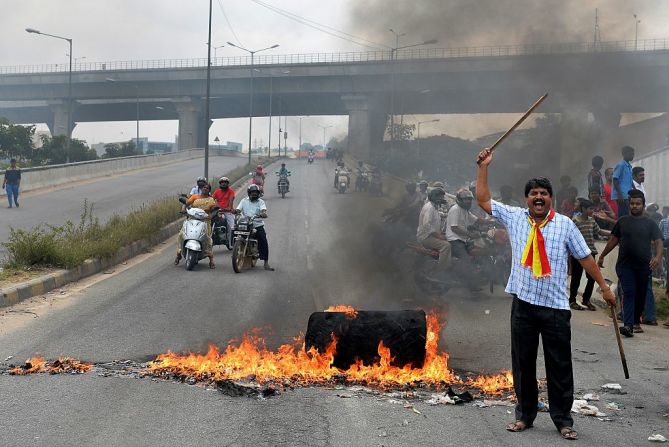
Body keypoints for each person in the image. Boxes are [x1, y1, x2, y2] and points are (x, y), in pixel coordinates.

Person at [476, 147, 615, 441]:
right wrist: (484, 167)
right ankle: (525, 415)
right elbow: (483, 199)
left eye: (543, 193)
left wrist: (603, 287)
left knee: (559, 365)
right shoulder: (514, 218)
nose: (538, 198)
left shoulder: (565, 224)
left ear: (550, 198)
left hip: (554, 308)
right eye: (533, 193)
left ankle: (563, 419)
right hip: (523, 305)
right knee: (523, 363)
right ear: (527, 199)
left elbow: (585, 257)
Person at [598, 189, 663, 337]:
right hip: (625, 266)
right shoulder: (622, 221)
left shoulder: (650, 223)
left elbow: (659, 241)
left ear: (643, 205)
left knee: (640, 295)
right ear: (629, 204)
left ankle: (635, 321)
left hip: (644, 266)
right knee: (628, 292)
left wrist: (658, 257)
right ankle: (628, 325)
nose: (634, 206)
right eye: (632, 203)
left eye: (637, 204)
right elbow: (613, 240)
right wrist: (602, 256)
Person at [569, 199, 610, 311]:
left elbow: (599, 231)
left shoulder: (592, 221)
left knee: (592, 278)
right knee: (576, 278)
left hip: (590, 252)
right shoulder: (575, 221)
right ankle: (572, 300)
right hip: (577, 253)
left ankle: (586, 299)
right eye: (590, 209)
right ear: (583, 209)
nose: (592, 211)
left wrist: (613, 233)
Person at [445, 188, 484, 291]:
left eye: (469, 199)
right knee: (466, 260)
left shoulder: (465, 210)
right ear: (460, 200)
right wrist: (470, 234)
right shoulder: (455, 209)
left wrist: (493, 222)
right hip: (454, 240)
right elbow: (454, 228)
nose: (468, 201)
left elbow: (477, 220)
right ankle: (470, 285)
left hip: (463, 239)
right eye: (466, 199)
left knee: (478, 252)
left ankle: (478, 277)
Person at [175, 183, 217, 269]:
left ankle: (211, 259)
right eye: (204, 187)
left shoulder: (211, 200)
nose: (205, 189)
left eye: (207, 188)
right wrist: (183, 209)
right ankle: (178, 253)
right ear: (201, 189)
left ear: (209, 190)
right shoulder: (194, 197)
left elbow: (214, 210)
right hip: (192, 219)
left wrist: (211, 215)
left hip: (205, 221)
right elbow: (186, 203)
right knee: (181, 235)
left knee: (208, 239)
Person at [236, 184, 274, 271]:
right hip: (245, 223)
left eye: (256, 192)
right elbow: (238, 209)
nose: (254, 194)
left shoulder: (261, 202)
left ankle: (266, 263)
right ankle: (235, 249)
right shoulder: (244, 201)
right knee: (235, 231)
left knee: (263, 240)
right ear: (249, 193)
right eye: (252, 192)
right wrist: (236, 211)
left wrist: (263, 213)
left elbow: (263, 210)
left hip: (257, 224)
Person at [417, 187, 451, 272]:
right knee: (446, 246)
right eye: (440, 197)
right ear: (434, 197)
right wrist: (439, 236)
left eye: (442, 197)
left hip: (430, 236)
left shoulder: (434, 207)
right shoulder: (430, 208)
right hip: (426, 237)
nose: (442, 199)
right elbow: (427, 225)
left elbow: (437, 219)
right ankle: (441, 271)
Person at [212, 176, 236, 245]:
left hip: (228, 212)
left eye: (225, 182)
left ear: (228, 184)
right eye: (222, 182)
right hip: (218, 211)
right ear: (220, 184)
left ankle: (232, 241)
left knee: (232, 226)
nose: (224, 184)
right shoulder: (217, 192)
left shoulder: (231, 191)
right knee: (209, 223)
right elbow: (211, 201)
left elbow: (230, 206)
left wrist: (228, 208)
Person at [612, 146, 635, 217]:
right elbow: (615, 179)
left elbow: (630, 180)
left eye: (633, 154)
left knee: (627, 214)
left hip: (627, 195)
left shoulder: (629, 166)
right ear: (624, 154)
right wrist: (619, 194)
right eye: (631, 154)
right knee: (623, 215)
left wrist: (635, 189)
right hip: (622, 196)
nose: (632, 155)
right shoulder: (621, 165)